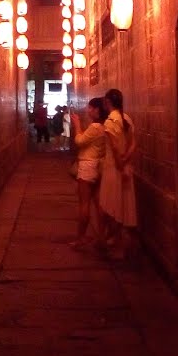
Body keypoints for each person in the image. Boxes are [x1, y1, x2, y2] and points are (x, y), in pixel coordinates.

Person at [99, 88, 137, 258]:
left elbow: (114, 148)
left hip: (113, 170)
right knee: (124, 206)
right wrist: (126, 160)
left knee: (112, 207)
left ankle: (116, 246)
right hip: (125, 167)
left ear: (108, 102)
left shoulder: (109, 122)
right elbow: (133, 144)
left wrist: (120, 166)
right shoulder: (127, 119)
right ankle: (119, 244)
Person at [69, 97, 107, 248]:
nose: (88, 110)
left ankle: (81, 238)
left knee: (84, 204)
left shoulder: (96, 127)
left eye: (91, 108)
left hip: (87, 166)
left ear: (97, 110)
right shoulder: (105, 126)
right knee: (99, 204)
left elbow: (79, 141)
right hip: (98, 166)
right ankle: (102, 236)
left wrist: (77, 125)